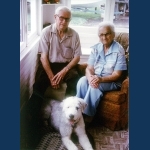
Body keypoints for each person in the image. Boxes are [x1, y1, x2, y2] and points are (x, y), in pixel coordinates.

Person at [23, 6, 82, 148]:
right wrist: (51, 76)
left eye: (67, 19)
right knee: (38, 85)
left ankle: (69, 121)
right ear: (55, 17)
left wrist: (64, 71)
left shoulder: (74, 34)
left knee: (75, 83)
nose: (63, 21)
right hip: (50, 65)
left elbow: (77, 57)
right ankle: (32, 121)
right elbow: (43, 57)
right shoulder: (46, 32)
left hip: (67, 66)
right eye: (61, 18)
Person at [76, 21, 127, 125]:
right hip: (96, 78)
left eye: (107, 34)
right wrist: (90, 78)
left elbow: (117, 75)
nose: (104, 37)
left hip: (111, 81)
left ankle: (87, 117)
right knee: (82, 81)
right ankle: (77, 111)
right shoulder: (96, 48)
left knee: (95, 86)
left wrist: (100, 79)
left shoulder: (119, 50)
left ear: (113, 34)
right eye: (101, 35)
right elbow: (89, 68)